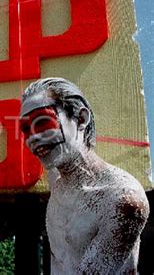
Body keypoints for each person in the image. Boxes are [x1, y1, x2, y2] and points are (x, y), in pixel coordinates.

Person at [19, 77, 150, 273]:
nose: (32, 139)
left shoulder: (122, 200)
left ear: (81, 119)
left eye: (43, 122)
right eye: (25, 129)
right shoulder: (58, 178)